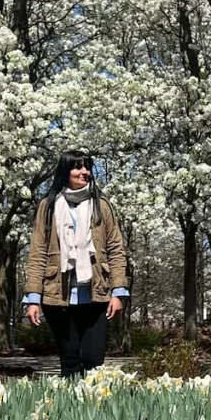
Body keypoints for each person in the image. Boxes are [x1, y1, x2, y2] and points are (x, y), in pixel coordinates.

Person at [23, 151, 128, 377]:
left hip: (96, 294)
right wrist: (33, 297)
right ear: (65, 172)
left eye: (87, 167)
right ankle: (72, 409)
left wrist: (118, 291)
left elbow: (116, 250)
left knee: (93, 360)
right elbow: (38, 252)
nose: (85, 172)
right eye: (78, 168)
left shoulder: (102, 205)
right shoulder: (48, 206)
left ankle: (93, 407)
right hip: (57, 296)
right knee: (69, 361)